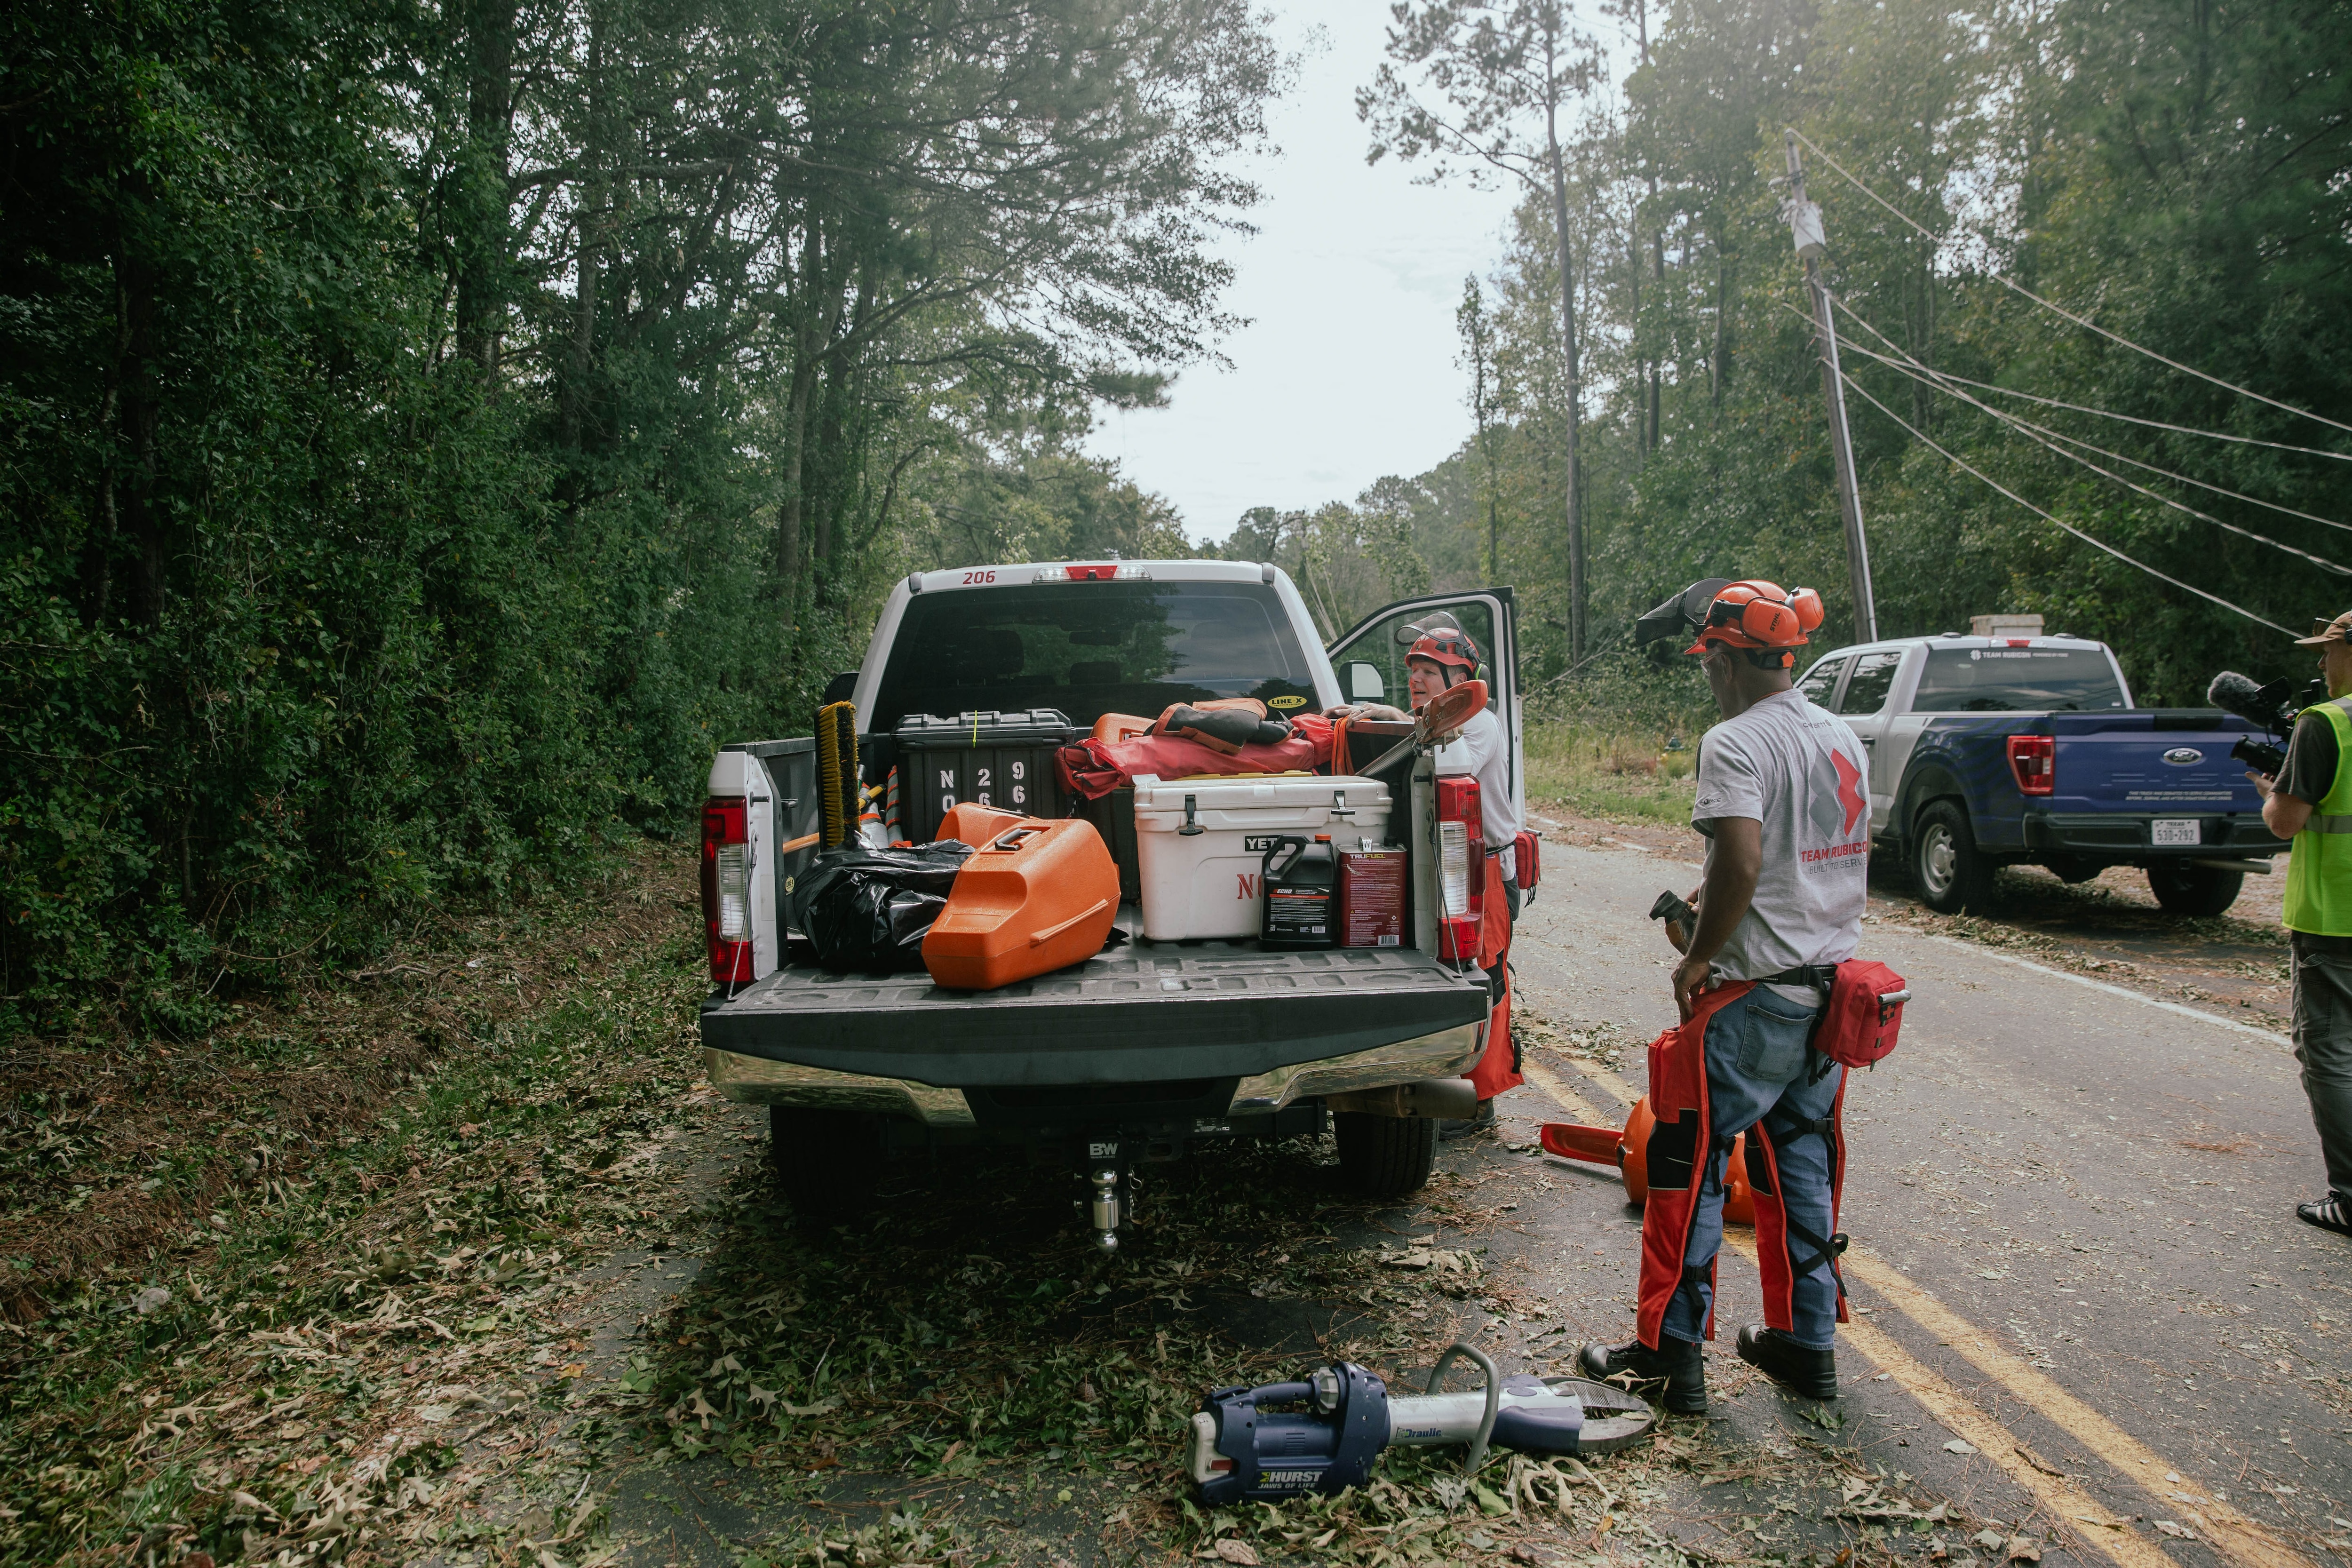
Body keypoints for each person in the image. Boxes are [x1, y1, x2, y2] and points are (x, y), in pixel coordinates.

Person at [1577, 578, 1868, 1415]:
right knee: (1802, 1171)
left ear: (1736, 661)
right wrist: (1727, 909)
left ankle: (1668, 1356)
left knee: (1685, 1165)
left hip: (1754, 997)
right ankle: (1807, 1345)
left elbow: (1740, 859)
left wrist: (1697, 957)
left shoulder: (1735, 741)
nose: (1706, 675)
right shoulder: (1838, 732)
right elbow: (1817, 855)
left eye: (1711, 660)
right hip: (1829, 991)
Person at [1331, 614, 1523, 1133]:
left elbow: (1441, 758)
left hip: (1484, 872)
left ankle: (1479, 1101)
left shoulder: (1477, 724)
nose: (1417, 678)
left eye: (1431, 672)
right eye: (1414, 669)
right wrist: (1377, 716)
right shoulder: (1439, 720)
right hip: (1457, 867)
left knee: (1482, 978)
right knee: (1456, 971)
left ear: (1461, 682)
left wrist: (1396, 716)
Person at [2246, 608, 2352, 1240]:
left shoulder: (2327, 725)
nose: (2321, 664)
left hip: (2336, 918)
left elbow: (2286, 821)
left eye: (2328, 651)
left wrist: (2268, 790)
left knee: (2330, 1056)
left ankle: (2350, 1196)